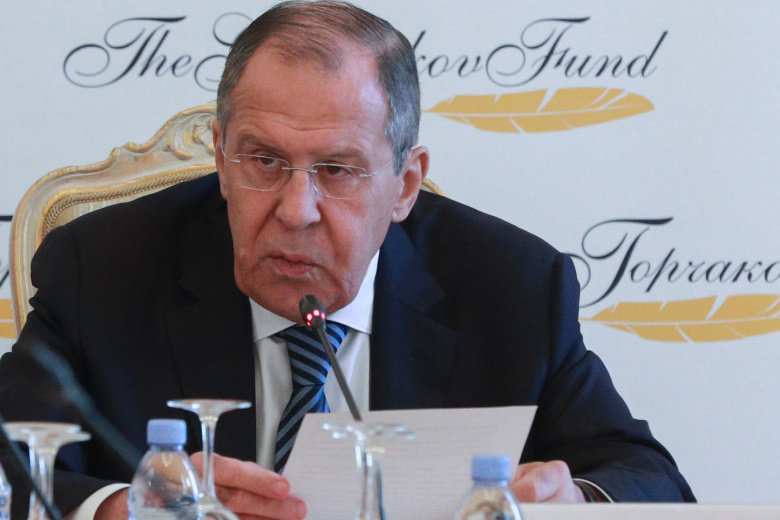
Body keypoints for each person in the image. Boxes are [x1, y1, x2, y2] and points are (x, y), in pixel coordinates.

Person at [0, 1, 695, 519]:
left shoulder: (510, 284)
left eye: (337, 170)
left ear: (406, 185)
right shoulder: (104, 268)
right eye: (263, 160)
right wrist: (122, 509)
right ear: (221, 156)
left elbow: (647, 477)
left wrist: (574, 500)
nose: (296, 210)